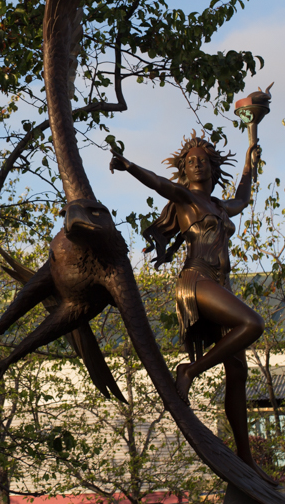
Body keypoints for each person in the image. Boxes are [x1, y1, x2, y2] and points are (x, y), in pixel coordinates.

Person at [110, 131, 270, 481]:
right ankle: (189, 371)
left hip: (220, 284)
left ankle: (246, 459)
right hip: (197, 281)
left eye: (203, 160)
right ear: (184, 170)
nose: (196, 163)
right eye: (190, 161)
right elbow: (157, 184)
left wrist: (248, 163)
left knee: (238, 375)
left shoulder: (220, 206)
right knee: (253, 324)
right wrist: (129, 165)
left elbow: (242, 198)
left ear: (213, 168)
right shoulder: (184, 198)